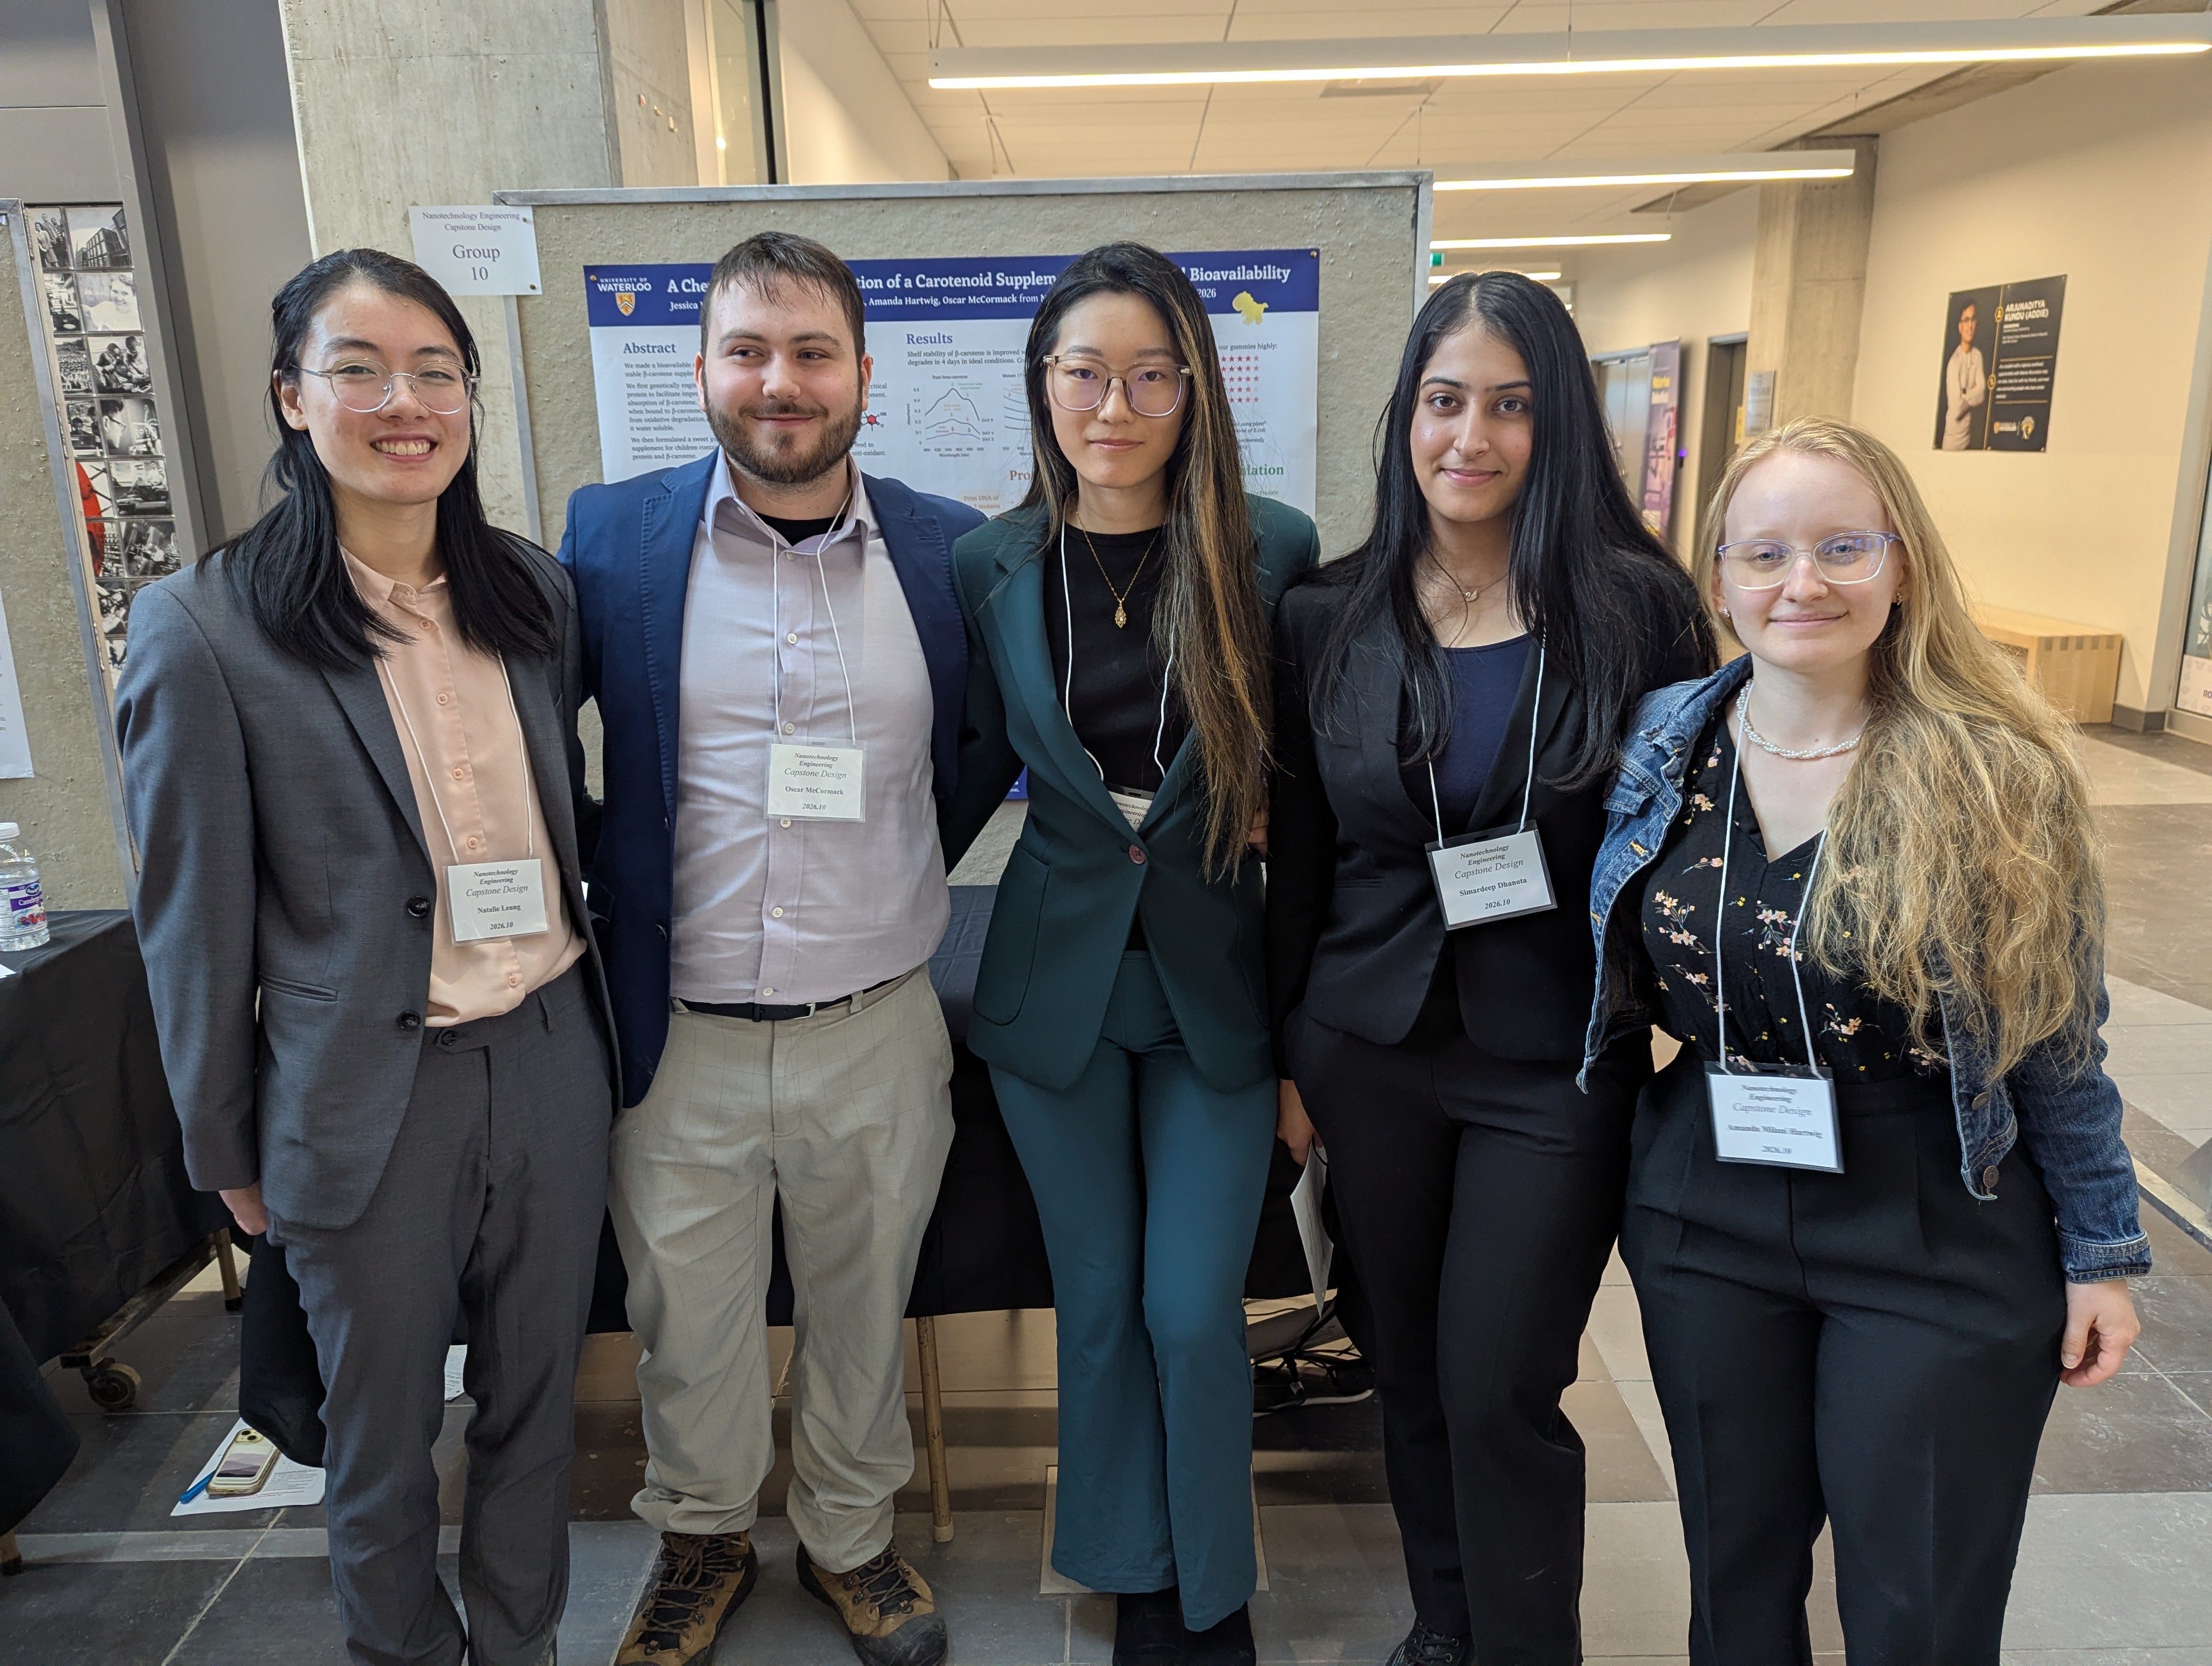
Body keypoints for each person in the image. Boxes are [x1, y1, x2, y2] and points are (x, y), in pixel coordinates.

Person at [115, 248, 618, 1666]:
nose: (406, 403)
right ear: (293, 396)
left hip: (552, 1055)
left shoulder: (532, 596)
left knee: (537, 1412)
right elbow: (188, 922)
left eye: (435, 372)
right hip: (359, 1094)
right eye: (360, 370)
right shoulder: (204, 631)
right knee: (381, 1443)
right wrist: (226, 1149)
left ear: (469, 398)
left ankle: (518, 1647)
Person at [1585, 416, 2147, 1664]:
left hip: (1932, 1213)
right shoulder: (1665, 740)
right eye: (1765, 552)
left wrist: (2097, 1251)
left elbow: (2058, 1033)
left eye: (1843, 546)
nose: (1803, 582)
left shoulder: (1994, 770)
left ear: (1901, 563)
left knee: (1918, 1604)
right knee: (1734, 1582)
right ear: (1719, 579)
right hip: (1706, 1200)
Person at [1267, 271, 1711, 1666]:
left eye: (1510, 405)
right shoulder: (1323, 612)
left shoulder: (1636, 609)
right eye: (1444, 400)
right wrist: (1287, 1056)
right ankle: (1443, 1627)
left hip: (1555, 1055)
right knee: (1403, 1361)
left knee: (1497, 1379)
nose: (1471, 436)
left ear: (1555, 421)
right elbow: (1301, 857)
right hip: (1366, 1042)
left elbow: (1686, 844)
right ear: (1405, 415)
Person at [560, 230, 979, 1666]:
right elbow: (533, 738)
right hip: (677, 1026)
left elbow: (976, 755)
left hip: (876, 1018)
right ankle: (705, 1537)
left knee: (867, 1304)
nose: (779, 382)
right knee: (687, 1318)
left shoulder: (949, 550)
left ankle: (853, 1542)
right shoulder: (612, 537)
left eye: (811, 352)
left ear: (864, 372)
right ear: (701, 372)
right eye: (748, 351)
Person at [941, 242, 1317, 1666]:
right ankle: (1125, 1567)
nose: (1116, 406)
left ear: (1195, 388)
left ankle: (1210, 1590)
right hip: (1058, 990)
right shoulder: (991, 562)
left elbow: (1318, 772)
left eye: (1152, 375)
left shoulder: (1271, 550)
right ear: (1043, 384)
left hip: (1217, 983)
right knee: (1096, 1305)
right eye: (1086, 373)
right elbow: (966, 764)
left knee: (1190, 1310)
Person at [1940, 299, 1987, 451]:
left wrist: (1964, 393)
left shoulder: (1977, 356)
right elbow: (1956, 408)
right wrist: (1973, 391)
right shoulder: (1955, 362)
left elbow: (1982, 394)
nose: (1970, 325)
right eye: (1966, 320)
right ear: (1960, 327)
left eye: (1973, 319)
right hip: (1952, 442)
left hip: (1969, 440)